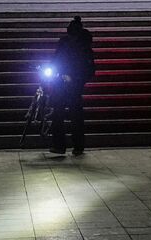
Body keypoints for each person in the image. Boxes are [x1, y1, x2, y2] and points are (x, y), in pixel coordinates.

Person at [49, 16, 94, 156]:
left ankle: (63, 145)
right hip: (69, 84)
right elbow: (57, 59)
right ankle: (74, 146)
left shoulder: (77, 45)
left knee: (63, 114)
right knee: (70, 115)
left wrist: (73, 78)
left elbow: (57, 59)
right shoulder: (78, 44)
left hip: (69, 84)